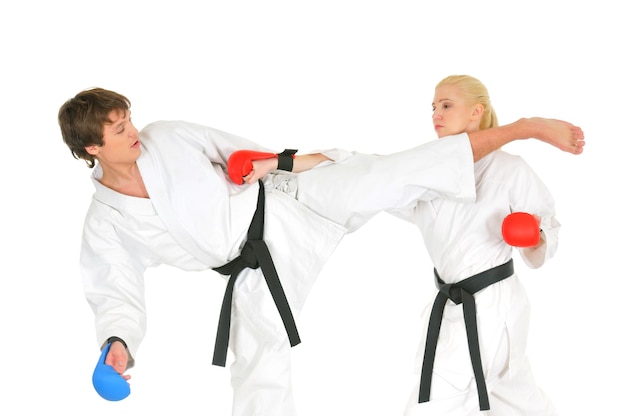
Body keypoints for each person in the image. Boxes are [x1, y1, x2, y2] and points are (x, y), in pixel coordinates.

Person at [58, 87, 584, 416]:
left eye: (128, 120)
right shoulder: (106, 223)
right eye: (119, 130)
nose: (134, 132)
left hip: (289, 201)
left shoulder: (168, 137)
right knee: (258, 370)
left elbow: (248, 154)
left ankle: (524, 129)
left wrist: (262, 160)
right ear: (91, 150)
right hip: (254, 273)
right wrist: (118, 341)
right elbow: (113, 288)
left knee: (388, 172)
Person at [393, 75, 566, 415]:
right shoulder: (428, 172)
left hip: (493, 306)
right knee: (513, 393)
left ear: (476, 112)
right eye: (433, 107)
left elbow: (548, 229)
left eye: (446, 105)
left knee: (434, 399)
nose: (435, 114)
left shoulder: (509, 169)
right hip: (450, 303)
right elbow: (380, 187)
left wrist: (533, 237)